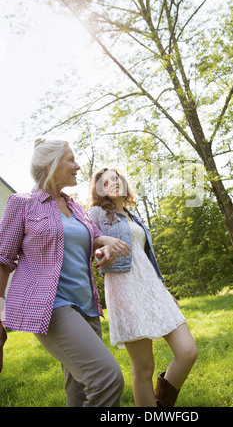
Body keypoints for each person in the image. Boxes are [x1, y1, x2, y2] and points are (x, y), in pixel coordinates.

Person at [0, 139, 131, 407]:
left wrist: (103, 247)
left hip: (87, 307)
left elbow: (92, 239)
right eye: (70, 160)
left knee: (80, 390)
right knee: (107, 379)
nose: (78, 166)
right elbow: (3, 260)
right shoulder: (22, 204)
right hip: (51, 308)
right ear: (51, 165)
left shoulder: (77, 208)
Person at [88, 167, 198, 407]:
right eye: (106, 183)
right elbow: (91, 240)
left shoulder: (132, 215)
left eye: (116, 179)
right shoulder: (96, 213)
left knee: (188, 351)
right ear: (100, 191)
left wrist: (164, 291)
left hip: (152, 287)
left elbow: (146, 258)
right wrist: (101, 249)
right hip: (125, 289)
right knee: (144, 367)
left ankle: (161, 404)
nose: (113, 184)